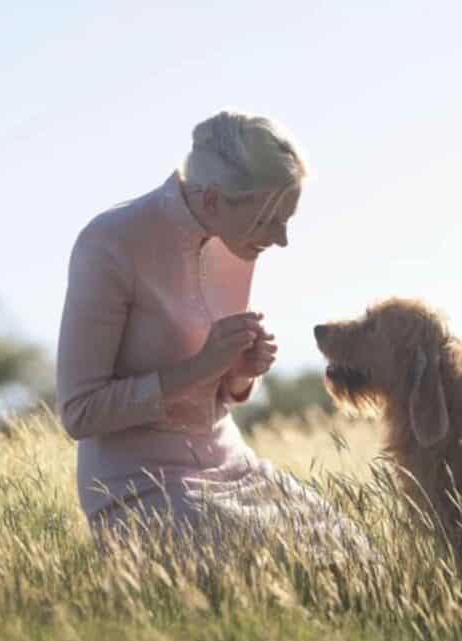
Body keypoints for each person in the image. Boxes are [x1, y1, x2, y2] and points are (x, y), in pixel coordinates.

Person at [56, 110, 367, 562]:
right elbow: (79, 414)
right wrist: (199, 367)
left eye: (286, 220)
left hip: (233, 466)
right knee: (280, 559)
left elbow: (216, 392)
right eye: (268, 220)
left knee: (356, 556)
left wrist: (239, 374)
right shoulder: (109, 243)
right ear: (215, 199)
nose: (280, 239)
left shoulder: (234, 239)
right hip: (138, 488)